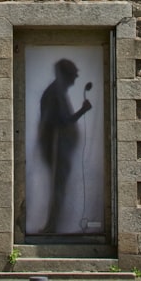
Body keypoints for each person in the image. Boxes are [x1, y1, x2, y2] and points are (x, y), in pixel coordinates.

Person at [37, 59, 92, 233]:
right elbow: (61, 122)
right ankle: (51, 227)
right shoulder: (55, 93)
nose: (75, 80)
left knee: (59, 187)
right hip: (56, 148)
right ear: (66, 75)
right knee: (58, 187)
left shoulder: (57, 92)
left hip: (60, 148)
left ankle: (53, 226)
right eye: (73, 76)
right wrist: (82, 111)